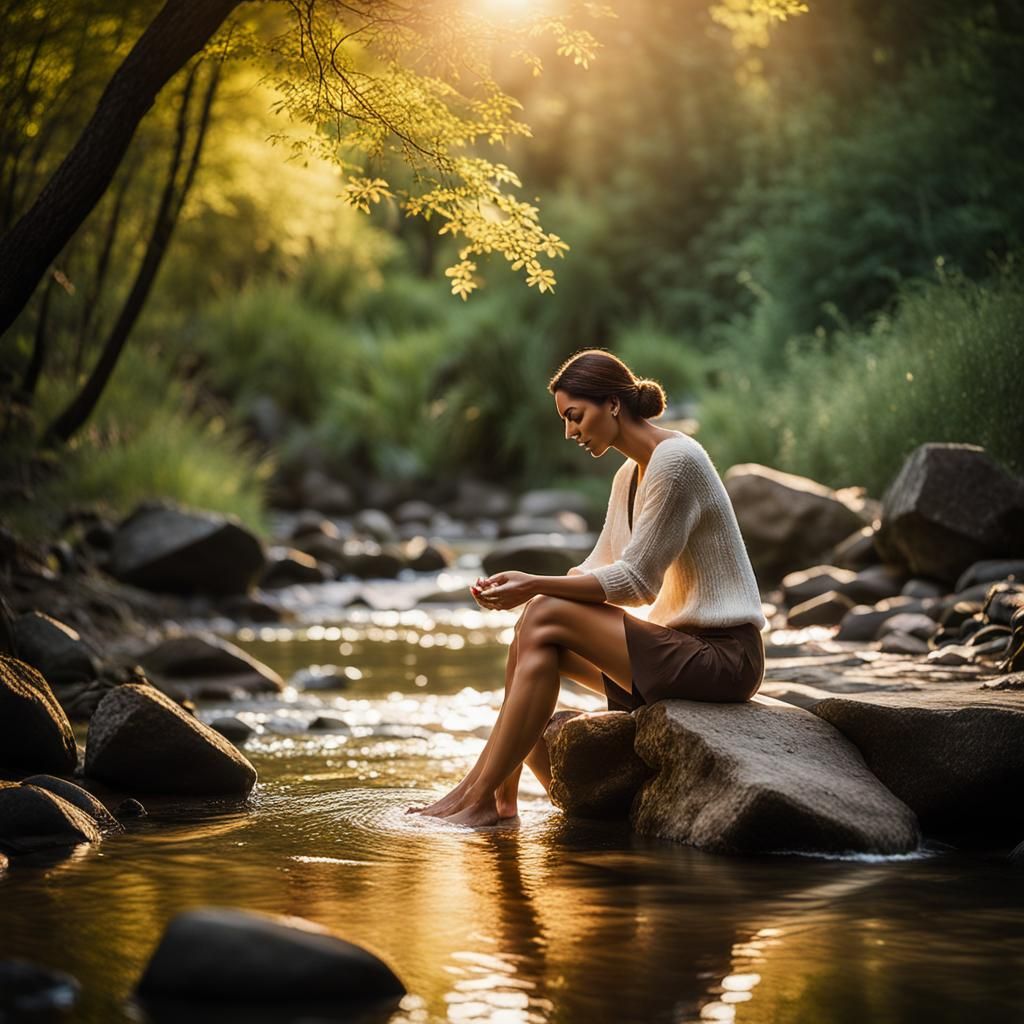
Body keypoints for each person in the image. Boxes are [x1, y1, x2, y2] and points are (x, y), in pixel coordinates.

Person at [413, 349, 766, 827]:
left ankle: (475, 794)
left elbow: (636, 582)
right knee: (534, 628)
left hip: (722, 658)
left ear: (612, 405)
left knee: (542, 611)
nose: (569, 431)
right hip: (679, 655)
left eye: (574, 416)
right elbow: (597, 566)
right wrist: (522, 587)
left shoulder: (677, 460)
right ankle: (497, 801)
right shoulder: (629, 474)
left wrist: (533, 585)